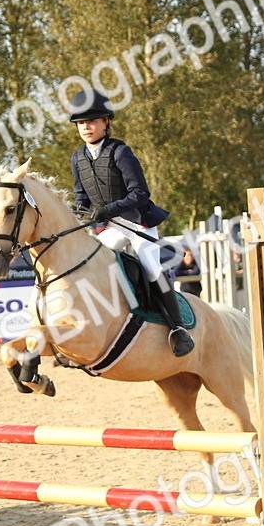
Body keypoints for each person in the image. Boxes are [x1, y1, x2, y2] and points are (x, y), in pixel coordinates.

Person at [68, 89, 193, 356]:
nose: (86, 127)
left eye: (92, 121)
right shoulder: (77, 157)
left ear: (106, 122)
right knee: (91, 263)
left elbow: (140, 194)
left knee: (150, 267)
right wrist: (76, 211)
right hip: (110, 227)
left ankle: (178, 329)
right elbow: (81, 197)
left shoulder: (120, 151)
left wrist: (107, 210)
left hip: (138, 223)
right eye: (81, 123)